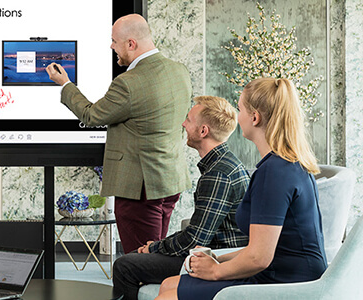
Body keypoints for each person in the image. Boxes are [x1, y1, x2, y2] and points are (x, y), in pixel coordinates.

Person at [156, 78, 327, 300]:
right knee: (169, 284)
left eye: (239, 109)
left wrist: (215, 271)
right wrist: (218, 260)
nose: (237, 117)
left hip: (286, 280)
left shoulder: (274, 172)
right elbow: (259, 248)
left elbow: (258, 258)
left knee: (166, 297)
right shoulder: (286, 163)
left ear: (254, 117)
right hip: (282, 270)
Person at [46, 13, 192, 253]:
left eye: (114, 41)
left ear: (131, 44)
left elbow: (91, 115)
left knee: (141, 261)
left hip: (140, 188)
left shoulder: (129, 83)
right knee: (157, 255)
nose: (111, 46)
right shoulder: (179, 71)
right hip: (169, 181)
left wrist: (65, 84)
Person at [112, 96, 250, 300]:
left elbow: (194, 240)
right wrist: (157, 246)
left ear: (204, 131)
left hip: (216, 258)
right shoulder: (224, 164)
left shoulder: (218, 174)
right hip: (211, 251)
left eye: (189, 119)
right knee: (136, 256)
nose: (183, 124)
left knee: (125, 265)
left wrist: (154, 247)